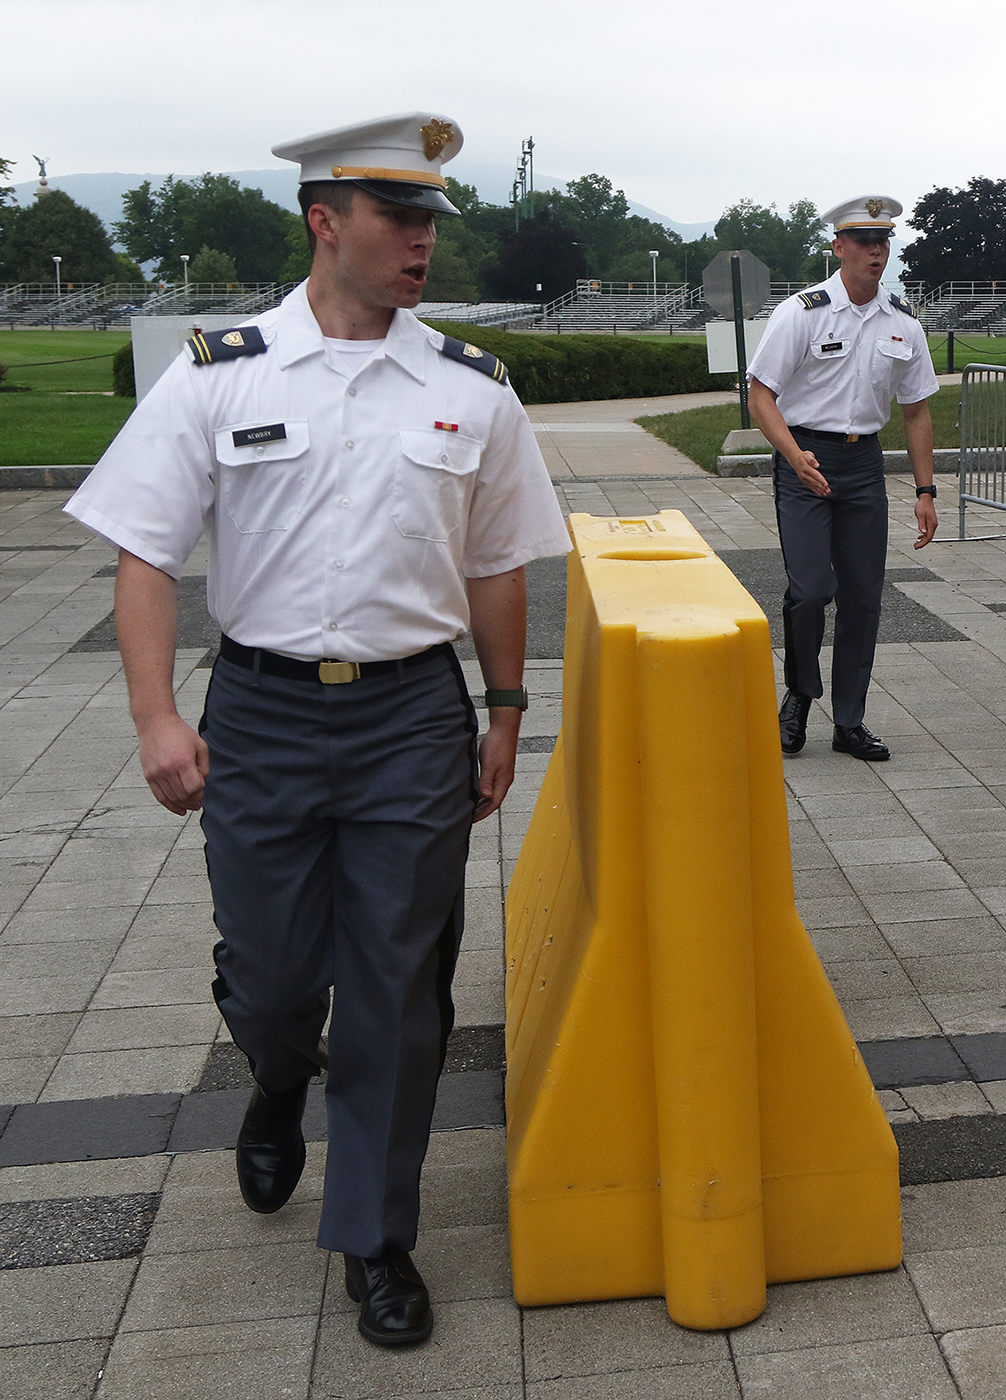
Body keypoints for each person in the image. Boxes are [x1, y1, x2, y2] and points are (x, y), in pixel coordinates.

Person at [64, 113, 571, 1347]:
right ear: (323, 220)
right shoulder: (219, 371)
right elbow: (144, 548)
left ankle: (376, 1238)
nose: (421, 244)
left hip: (410, 711)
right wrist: (154, 717)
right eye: (398, 219)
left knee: (400, 986)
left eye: (432, 223)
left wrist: (505, 710)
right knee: (279, 974)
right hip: (264, 710)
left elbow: (501, 562)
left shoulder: (470, 388)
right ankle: (277, 1072)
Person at [749, 195, 939, 763]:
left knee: (863, 597)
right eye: (862, 241)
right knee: (810, 591)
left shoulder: (903, 321)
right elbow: (761, 395)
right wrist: (793, 454)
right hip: (804, 459)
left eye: (883, 241)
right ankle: (801, 695)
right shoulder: (802, 313)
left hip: (863, 467)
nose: (875, 251)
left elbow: (917, 410)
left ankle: (850, 721)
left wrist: (926, 491)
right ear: (838, 247)